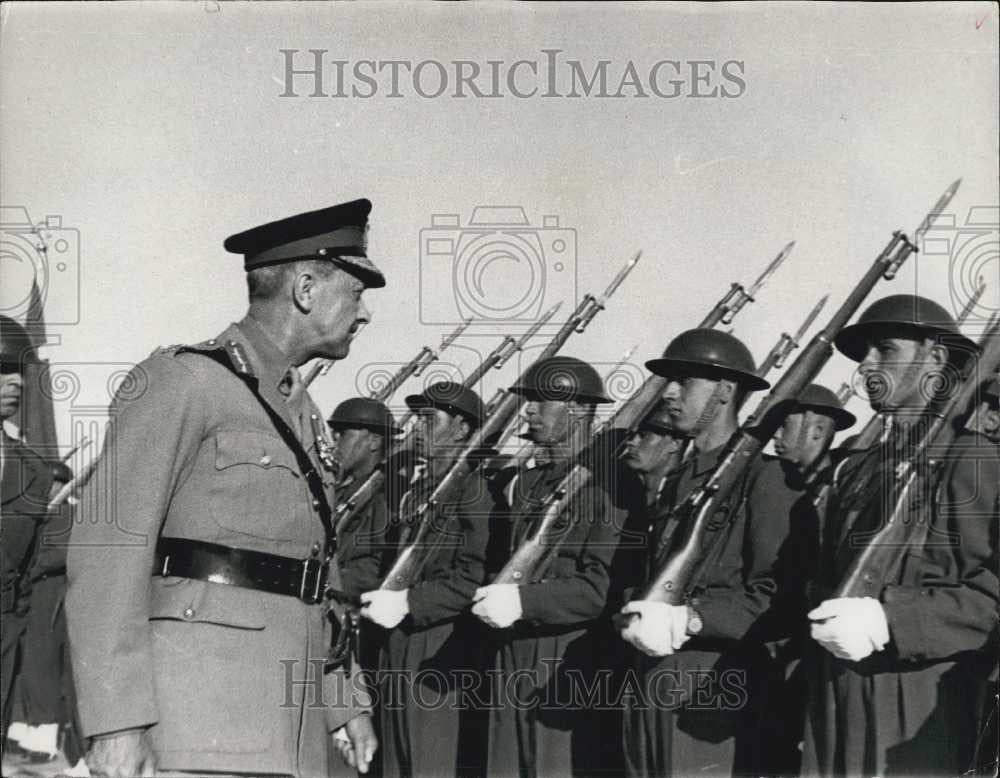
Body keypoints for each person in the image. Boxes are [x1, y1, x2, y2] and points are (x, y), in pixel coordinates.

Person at [65, 199, 383, 777]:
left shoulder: (304, 413)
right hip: (199, 717)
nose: (364, 316)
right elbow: (106, 553)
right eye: (357, 293)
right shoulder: (184, 382)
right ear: (306, 287)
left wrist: (343, 703)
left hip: (291, 721)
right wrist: (114, 722)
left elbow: (311, 573)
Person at [802, 294, 999, 777]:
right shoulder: (860, 468)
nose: (867, 365)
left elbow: (992, 594)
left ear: (935, 357)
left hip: (921, 690)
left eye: (885, 349)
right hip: (834, 683)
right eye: (864, 354)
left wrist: (893, 619)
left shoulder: (975, 459)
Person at [618, 328, 803, 777]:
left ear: (724, 391)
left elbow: (778, 598)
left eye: (686, 382)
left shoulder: (767, 479)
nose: (670, 393)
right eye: (670, 382)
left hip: (714, 685)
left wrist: (693, 618)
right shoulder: (677, 480)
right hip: (648, 679)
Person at [474, 355, 622, 777]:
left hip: (566, 658)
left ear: (578, 409)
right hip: (511, 648)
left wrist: (523, 601)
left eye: (541, 401)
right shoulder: (528, 482)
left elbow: (598, 588)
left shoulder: (610, 485)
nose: (530, 411)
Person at [360, 381, 494, 778]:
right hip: (397, 643)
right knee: (395, 763)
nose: (417, 427)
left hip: (439, 647)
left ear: (463, 429)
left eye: (429, 418)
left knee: (429, 763)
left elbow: (475, 574)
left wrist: (410, 603)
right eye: (417, 418)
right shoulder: (417, 491)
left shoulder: (475, 491)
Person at [758, 384, 856, 776]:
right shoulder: (780, 483)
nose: (776, 438)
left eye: (784, 427)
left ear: (817, 431)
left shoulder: (842, 484)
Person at [1, 316, 53, 751]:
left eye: (18, 368)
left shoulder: (32, 471)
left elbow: (26, 577)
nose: (15, 380)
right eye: (0, 369)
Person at [13, 460, 76, 764]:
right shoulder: (47, 512)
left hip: (52, 591)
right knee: (31, 662)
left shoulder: (66, 512)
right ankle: (33, 727)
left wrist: (26, 570)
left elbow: (56, 556)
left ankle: (46, 737)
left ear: (58, 485)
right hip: (37, 592)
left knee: (44, 662)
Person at [329, 396, 403, 600]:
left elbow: (380, 563)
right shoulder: (340, 487)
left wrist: (328, 581)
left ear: (374, 441)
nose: (334, 441)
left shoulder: (390, 492)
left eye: (343, 434)